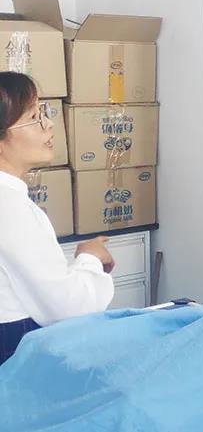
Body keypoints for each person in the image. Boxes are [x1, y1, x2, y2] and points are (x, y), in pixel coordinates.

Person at [0, 72, 114, 365]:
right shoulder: (10, 209)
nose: (49, 124)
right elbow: (67, 307)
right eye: (34, 117)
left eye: (44, 113)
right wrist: (90, 257)